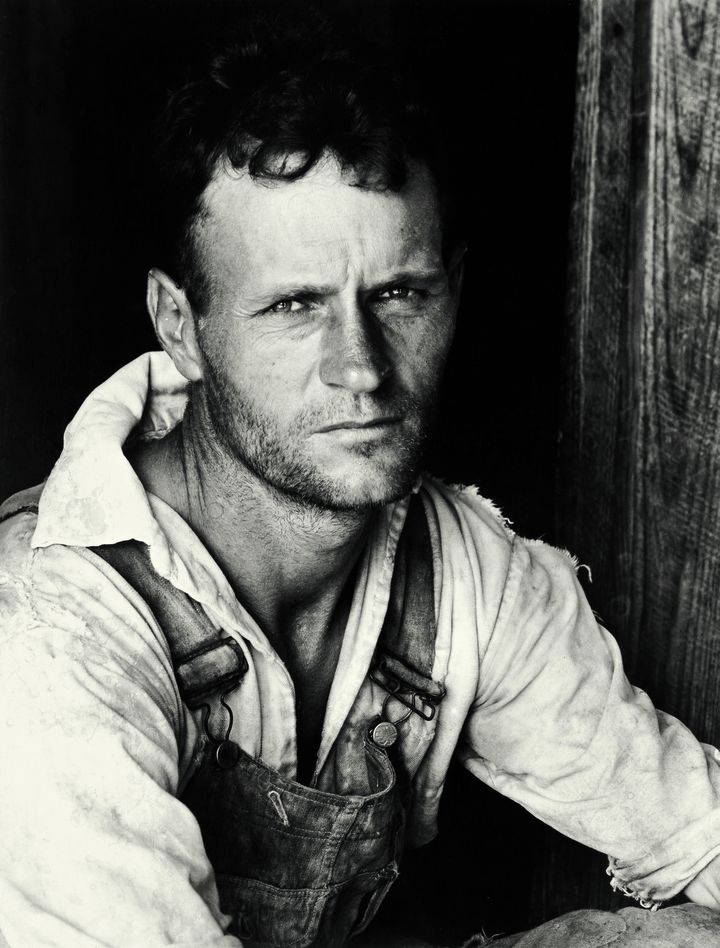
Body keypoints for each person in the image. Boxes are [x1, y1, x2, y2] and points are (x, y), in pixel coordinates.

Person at [1, 11, 720, 948]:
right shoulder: (51, 635)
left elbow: (692, 826)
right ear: (181, 325)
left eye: (398, 295)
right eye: (295, 305)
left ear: (453, 293)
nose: (363, 367)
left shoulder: (463, 574)